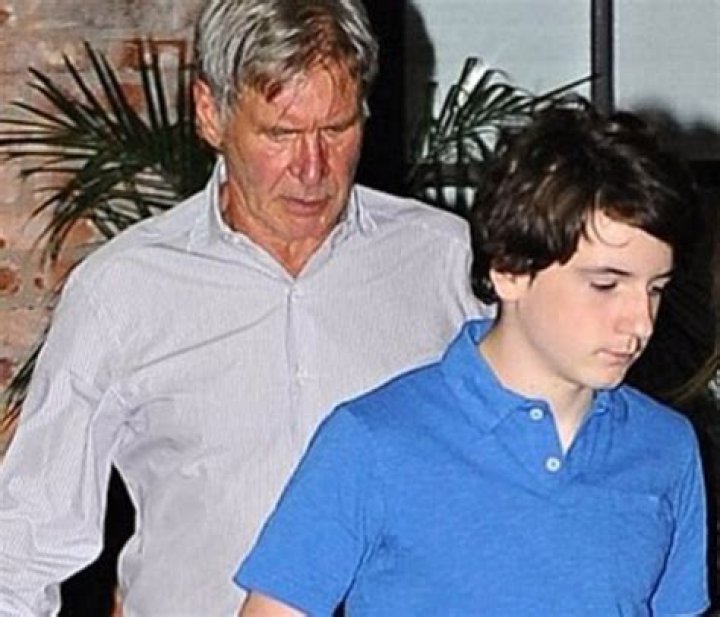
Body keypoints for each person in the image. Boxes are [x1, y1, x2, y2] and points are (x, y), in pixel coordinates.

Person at [0, 1, 486, 614]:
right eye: (281, 134)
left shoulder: (443, 260)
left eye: (336, 129)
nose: (313, 168)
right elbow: (25, 541)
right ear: (211, 113)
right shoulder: (121, 291)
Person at [234, 104, 709, 616]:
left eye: (655, 289)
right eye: (605, 285)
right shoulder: (373, 440)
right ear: (509, 271)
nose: (640, 322)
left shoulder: (666, 447)